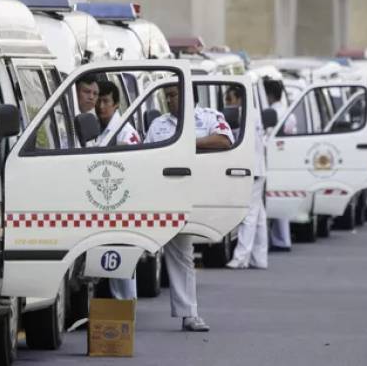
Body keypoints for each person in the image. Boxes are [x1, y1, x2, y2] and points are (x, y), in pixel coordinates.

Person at [144, 84, 233, 332]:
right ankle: (119, 310)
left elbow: (224, 140)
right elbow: (143, 154)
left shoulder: (209, 117)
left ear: (188, 95)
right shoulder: (158, 125)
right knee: (135, 251)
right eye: (167, 96)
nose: (170, 100)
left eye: (174, 95)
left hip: (189, 196)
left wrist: (189, 143)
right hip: (159, 197)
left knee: (183, 255)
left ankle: (189, 314)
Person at [94, 80, 141, 300]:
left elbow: (135, 160)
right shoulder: (97, 129)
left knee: (121, 260)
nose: (101, 106)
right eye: (98, 101)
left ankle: (127, 307)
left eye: (106, 101)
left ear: (116, 104)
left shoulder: (125, 132)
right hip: (100, 202)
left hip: (121, 204)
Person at [225, 86, 268, 269]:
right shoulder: (252, 113)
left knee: (248, 215)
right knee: (258, 216)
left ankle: (241, 257)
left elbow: (243, 144)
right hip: (257, 169)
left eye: (230, 100)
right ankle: (259, 258)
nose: (228, 104)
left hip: (252, 170)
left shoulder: (247, 115)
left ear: (239, 99)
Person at [264, 79, 293, 252]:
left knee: (274, 200)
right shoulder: (289, 112)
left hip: (272, 160)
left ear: (269, 95)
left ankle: (282, 240)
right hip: (285, 159)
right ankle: (281, 239)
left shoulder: (273, 112)